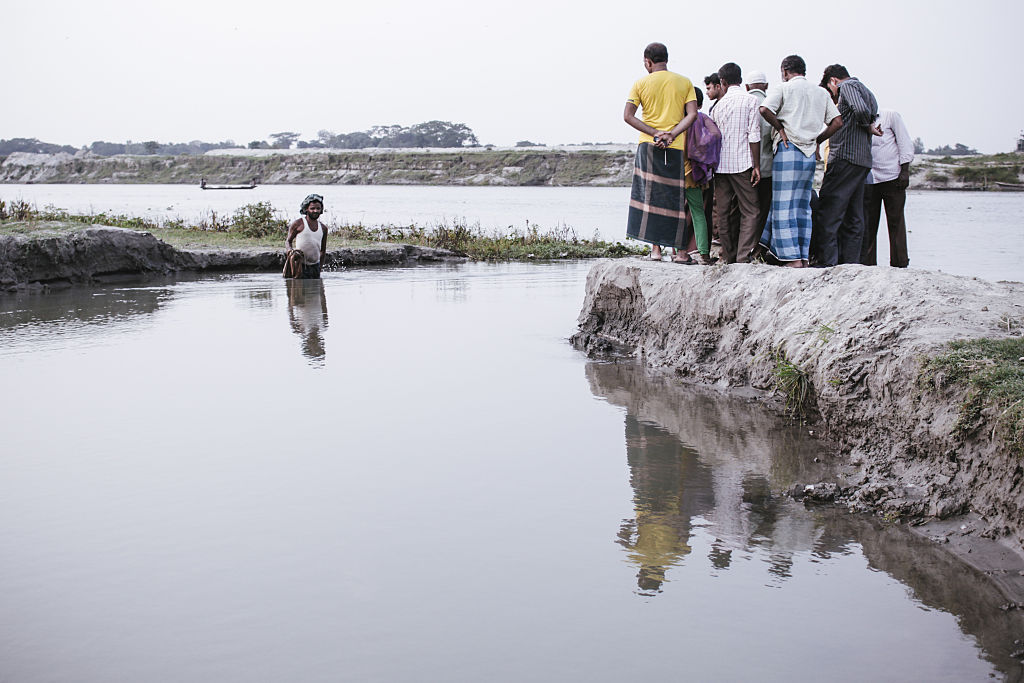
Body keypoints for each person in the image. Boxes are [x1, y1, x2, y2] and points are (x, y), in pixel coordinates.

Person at [623, 42, 711, 264]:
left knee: (651, 198)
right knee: (676, 199)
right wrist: (671, 133)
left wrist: (655, 133)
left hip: (648, 145)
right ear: (666, 59)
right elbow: (692, 114)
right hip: (675, 146)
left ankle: (655, 251)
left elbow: (628, 116)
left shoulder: (640, 83)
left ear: (648, 62)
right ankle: (681, 253)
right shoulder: (684, 82)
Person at [758, 55, 843, 267]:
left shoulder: (783, 88)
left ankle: (791, 258)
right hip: (808, 154)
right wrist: (817, 140)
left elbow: (764, 109)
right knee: (803, 206)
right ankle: (803, 256)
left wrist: (779, 128)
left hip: (788, 148)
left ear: (785, 71)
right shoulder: (821, 92)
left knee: (783, 205)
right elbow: (837, 121)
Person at [812, 64, 878, 266]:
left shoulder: (847, 87)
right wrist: (868, 125)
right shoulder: (868, 92)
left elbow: (861, 111)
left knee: (829, 210)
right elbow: (867, 112)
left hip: (844, 157)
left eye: (831, 92)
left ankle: (827, 261)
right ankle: (850, 262)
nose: (833, 98)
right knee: (854, 215)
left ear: (833, 81)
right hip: (861, 160)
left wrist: (865, 123)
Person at [710, 62, 761, 264]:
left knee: (723, 213)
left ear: (722, 82)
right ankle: (743, 256)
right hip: (742, 163)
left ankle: (728, 256)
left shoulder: (717, 106)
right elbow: (754, 135)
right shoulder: (751, 100)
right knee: (751, 210)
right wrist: (756, 165)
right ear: (741, 80)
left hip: (721, 166)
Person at [861, 109, 914, 267]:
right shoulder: (860, 121)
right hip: (870, 179)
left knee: (896, 222)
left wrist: (905, 171)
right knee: (869, 224)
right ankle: (869, 265)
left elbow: (905, 143)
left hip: (893, 177)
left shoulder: (890, 117)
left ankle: (900, 263)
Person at [744, 70, 774, 237]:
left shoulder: (744, 104)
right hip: (768, 168)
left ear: (747, 86)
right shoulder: (772, 105)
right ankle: (759, 247)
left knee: (746, 210)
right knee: (763, 209)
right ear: (767, 86)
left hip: (745, 166)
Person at [285, 193, 329, 278]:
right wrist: (290, 251)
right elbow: (288, 241)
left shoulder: (323, 228)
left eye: (318, 208)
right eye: (312, 208)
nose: (315, 211)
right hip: (299, 265)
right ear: (306, 209)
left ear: (321, 210)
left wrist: (319, 268)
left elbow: (323, 251)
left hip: (315, 266)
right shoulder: (298, 224)